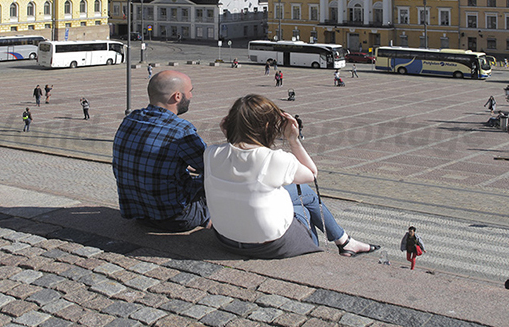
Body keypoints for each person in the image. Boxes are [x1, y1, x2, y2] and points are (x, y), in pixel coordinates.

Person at [203, 94, 380, 259]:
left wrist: (231, 135)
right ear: (267, 127)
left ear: (229, 124)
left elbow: (237, 157)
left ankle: (345, 241)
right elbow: (311, 174)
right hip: (269, 245)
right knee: (304, 207)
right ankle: (321, 253)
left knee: (302, 191)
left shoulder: (210, 153)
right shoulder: (275, 159)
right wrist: (293, 140)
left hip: (225, 240)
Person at [112, 70, 211, 233]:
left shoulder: (130, 119)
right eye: (190, 91)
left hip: (139, 215)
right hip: (176, 218)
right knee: (218, 180)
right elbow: (211, 166)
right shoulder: (181, 130)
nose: (191, 96)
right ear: (177, 96)